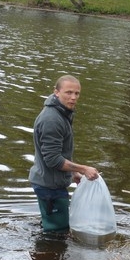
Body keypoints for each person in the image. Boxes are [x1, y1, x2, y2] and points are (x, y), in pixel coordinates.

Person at [29, 74, 100, 232]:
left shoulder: (62, 113)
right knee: (57, 232)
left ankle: (47, 251)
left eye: (77, 93)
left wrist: (73, 174)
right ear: (56, 92)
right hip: (49, 187)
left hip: (53, 183)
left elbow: (59, 152)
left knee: (52, 227)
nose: (73, 97)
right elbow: (53, 160)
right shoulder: (52, 120)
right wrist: (83, 169)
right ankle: (47, 255)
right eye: (68, 92)